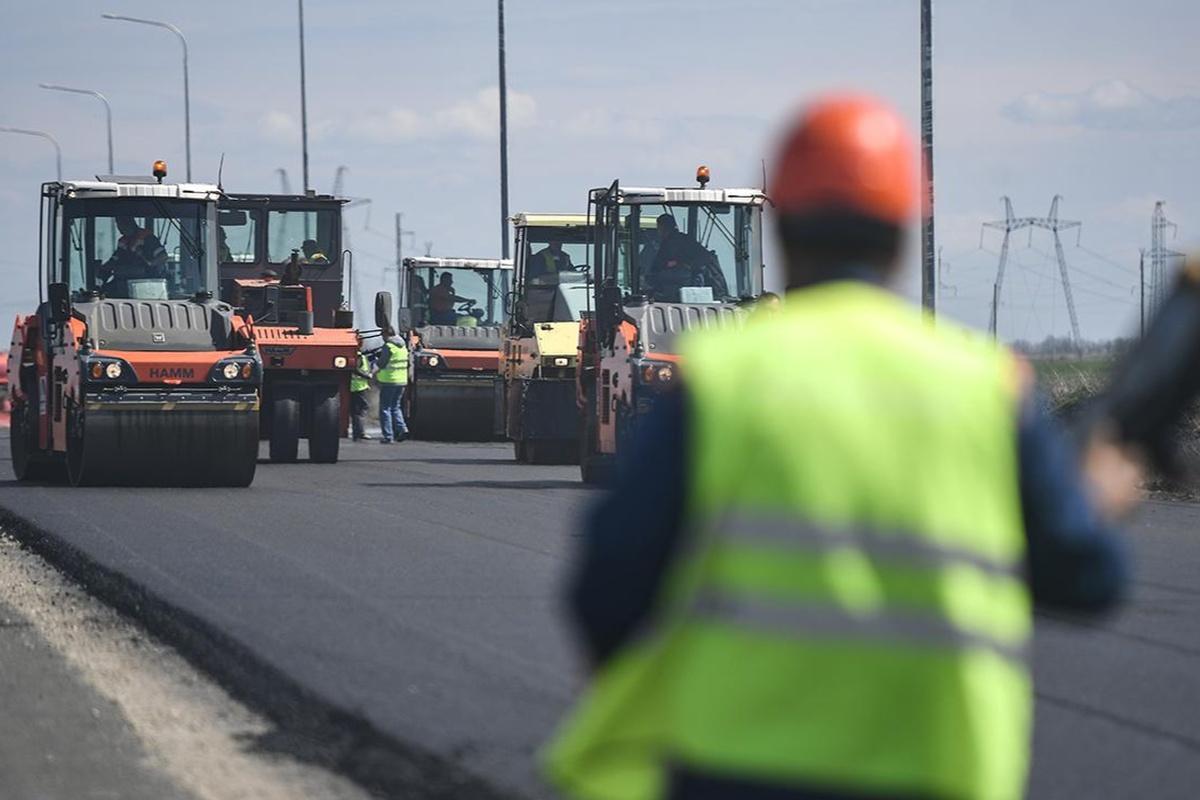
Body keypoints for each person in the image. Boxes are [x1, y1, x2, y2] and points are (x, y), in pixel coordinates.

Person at [545, 95, 1142, 800]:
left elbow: (605, 587)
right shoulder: (989, 388)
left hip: (736, 771)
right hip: (936, 774)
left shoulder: (724, 379)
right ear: (903, 233)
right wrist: (1098, 491)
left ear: (780, 228)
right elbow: (1085, 577)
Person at [644, 214, 728, 301]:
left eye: (659, 228)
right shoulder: (682, 240)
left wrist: (681, 264)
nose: (659, 231)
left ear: (662, 227)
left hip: (682, 288)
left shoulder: (673, 242)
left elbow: (659, 266)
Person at [99, 216, 168, 294]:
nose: (119, 228)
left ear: (130, 223)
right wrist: (102, 269)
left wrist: (150, 264)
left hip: (146, 285)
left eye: (121, 224)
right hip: (124, 283)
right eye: (118, 224)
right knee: (105, 291)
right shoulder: (123, 241)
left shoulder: (148, 238)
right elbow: (114, 260)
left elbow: (163, 256)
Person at [374, 327, 409, 443]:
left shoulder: (389, 346)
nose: (382, 338)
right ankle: (402, 428)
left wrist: (372, 368)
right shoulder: (403, 346)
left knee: (385, 408)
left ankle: (388, 436)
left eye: (383, 336)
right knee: (395, 406)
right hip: (401, 381)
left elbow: (382, 364)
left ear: (386, 335)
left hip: (389, 381)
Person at [350, 342, 374, 441]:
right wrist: (367, 376)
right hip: (358, 387)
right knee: (361, 410)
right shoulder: (358, 356)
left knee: (357, 410)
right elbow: (355, 369)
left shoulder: (358, 355)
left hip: (357, 386)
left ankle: (357, 432)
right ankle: (360, 432)